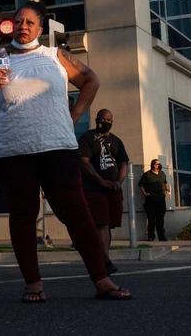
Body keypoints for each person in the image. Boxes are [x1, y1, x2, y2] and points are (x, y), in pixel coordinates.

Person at [0, 2, 131, 302]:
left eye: (30, 22)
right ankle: (33, 284)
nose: (23, 26)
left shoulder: (54, 56)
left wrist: (73, 115)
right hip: (11, 151)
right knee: (23, 215)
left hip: (57, 148)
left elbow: (91, 80)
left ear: (40, 28)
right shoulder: (3, 59)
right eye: (18, 21)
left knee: (76, 212)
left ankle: (102, 280)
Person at [80, 109, 130, 273]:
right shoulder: (87, 138)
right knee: (100, 223)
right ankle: (104, 261)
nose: (105, 121)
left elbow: (123, 162)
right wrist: (100, 181)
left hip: (113, 189)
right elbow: (84, 162)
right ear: (96, 120)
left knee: (107, 225)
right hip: (94, 189)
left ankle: (103, 258)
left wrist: (119, 182)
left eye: (109, 119)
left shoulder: (116, 141)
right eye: (102, 119)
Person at [138, 159, 170, 241]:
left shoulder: (162, 174)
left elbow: (165, 182)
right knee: (151, 219)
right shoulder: (147, 175)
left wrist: (167, 190)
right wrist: (145, 193)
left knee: (160, 219)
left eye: (159, 164)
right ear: (153, 165)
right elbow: (140, 184)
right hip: (151, 200)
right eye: (157, 164)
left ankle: (162, 236)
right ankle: (151, 236)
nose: (158, 165)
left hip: (161, 200)